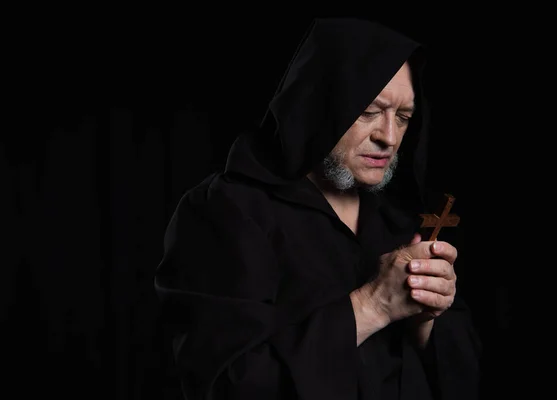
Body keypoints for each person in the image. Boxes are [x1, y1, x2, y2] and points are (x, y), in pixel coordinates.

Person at [154, 17, 481, 400]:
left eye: (403, 117)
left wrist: (426, 318)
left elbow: (465, 381)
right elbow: (228, 386)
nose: (388, 137)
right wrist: (374, 305)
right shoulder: (226, 212)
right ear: (320, 104)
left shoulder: (398, 219)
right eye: (368, 111)